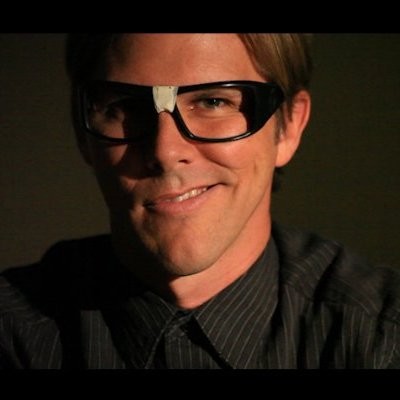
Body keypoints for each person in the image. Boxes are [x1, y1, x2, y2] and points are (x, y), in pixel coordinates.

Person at [0, 33, 399, 369]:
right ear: (82, 133)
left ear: (288, 127)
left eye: (213, 102)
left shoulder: (381, 339)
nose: (165, 151)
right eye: (125, 106)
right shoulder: (14, 335)